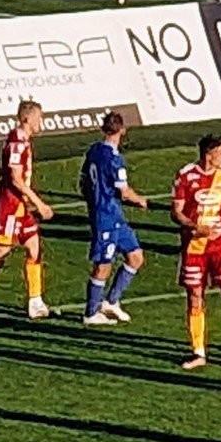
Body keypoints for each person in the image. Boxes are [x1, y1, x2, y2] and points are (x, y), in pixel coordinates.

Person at [0, 101, 54, 325]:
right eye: (38, 118)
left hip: (20, 206)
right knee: (0, 255)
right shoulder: (16, 143)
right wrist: (39, 204)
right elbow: (15, 179)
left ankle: (35, 302)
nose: (40, 122)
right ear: (27, 119)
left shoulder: (22, 141)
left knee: (34, 246)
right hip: (10, 207)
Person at [171, 134, 221, 371]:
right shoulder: (185, 176)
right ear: (210, 154)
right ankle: (198, 353)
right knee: (195, 297)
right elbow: (176, 212)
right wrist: (195, 227)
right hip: (194, 248)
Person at [79, 111, 150, 326]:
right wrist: (140, 201)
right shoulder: (114, 159)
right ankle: (91, 313)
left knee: (135, 256)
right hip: (105, 217)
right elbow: (124, 192)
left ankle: (111, 301)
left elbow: (83, 181)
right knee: (103, 264)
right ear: (122, 130)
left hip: (114, 215)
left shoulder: (94, 150)